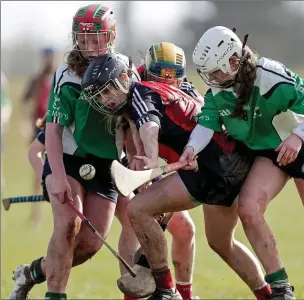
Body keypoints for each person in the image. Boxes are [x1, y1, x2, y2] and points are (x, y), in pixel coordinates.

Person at [81, 52, 272, 300]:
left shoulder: (141, 92)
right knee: (221, 242)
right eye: (99, 95)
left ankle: (165, 291)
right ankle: (270, 296)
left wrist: (149, 162)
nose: (104, 100)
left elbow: (150, 127)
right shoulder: (143, 100)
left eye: (107, 91)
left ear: (126, 79)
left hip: (211, 164)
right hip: (229, 163)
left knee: (138, 210)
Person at [180, 26, 304, 298]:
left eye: (216, 71)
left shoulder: (270, 75)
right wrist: (190, 149)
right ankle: (281, 290)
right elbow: (206, 125)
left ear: (233, 61)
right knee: (249, 209)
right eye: (208, 73)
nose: (212, 79)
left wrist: (298, 138)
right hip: (269, 153)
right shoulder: (219, 89)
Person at [8, 4, 140, 300]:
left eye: (97, 39)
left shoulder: (127, 71)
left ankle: (32, 273)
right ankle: (55, 295)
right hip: (67, 159)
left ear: (112, 36)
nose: (89, 47)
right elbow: (52, 131)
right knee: (68, 225)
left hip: (107, 164)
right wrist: (55, 176)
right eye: (83, 40)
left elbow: (134, 125)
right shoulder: (66, 74)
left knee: (89, 245)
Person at [120, 42, 200, 300]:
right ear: (149, 71)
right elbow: (133, 132)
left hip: (170, 161)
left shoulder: (186, 88)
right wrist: (140, 167)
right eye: (159, 77)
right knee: (135, 223)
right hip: (135, 158)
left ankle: (182, 294)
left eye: (172, 78)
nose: (167, 84)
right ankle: (134, 294)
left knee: (185, 230)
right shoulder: (136, 86)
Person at [21, 47, 57, 223]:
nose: (48, 60)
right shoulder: (36, 79)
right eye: (46, 57)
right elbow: (25, 101)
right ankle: (37, 213)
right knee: (38, 171)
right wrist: (26, 123)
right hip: (39, 128)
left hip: (57, 127)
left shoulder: (60, 77)